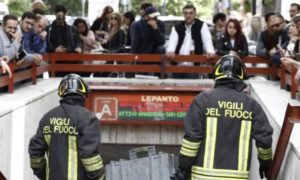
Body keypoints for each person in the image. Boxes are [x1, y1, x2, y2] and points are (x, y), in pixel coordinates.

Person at [175, 54, 273, 179]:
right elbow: (264, 140)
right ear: (241, 76)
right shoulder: (251, 105)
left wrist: (183, 168)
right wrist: (266, 164)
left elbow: (192, 140)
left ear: (216, 74)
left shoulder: (202, 100)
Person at [29, 73, 105, 180]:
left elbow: (35, 152)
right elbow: (91, 159)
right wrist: (100, 177)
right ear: (83, 95)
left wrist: (44, 174)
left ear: (62, 94)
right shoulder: (88, 119)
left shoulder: (47, 118)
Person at [165, 4, 215, 79]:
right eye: (186, 13)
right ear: (183, 14)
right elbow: (172, 41)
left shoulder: (201, 25)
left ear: (195, 14)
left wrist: (210, 51)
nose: (188, 15)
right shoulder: (177, 27)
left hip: (194, 65)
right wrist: (170, 51)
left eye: (191, 13)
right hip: (178, 64)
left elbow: (207, 39)